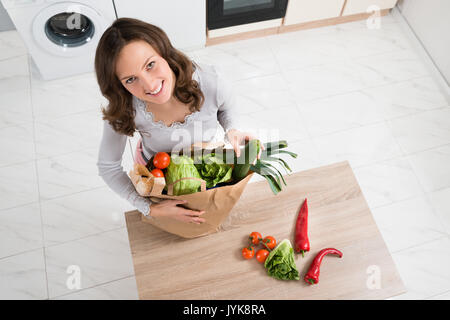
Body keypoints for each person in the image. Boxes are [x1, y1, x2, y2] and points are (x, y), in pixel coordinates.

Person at [95, 18, 263, 225]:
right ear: (119, 85)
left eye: (150, 65)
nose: (149, 85)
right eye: (130, 79)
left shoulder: (211, 80)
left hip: (206, 166)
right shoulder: (124, 108)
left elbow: (226, 109)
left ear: (164, 52)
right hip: (159, 178)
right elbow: (108, 167)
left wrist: (232, 129)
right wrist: (150, 208)